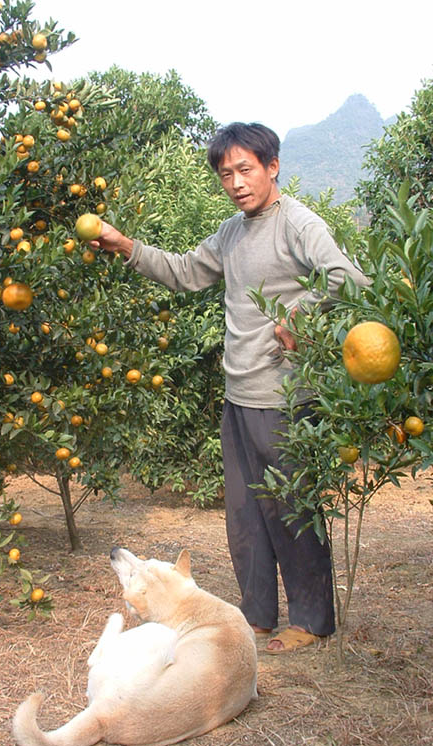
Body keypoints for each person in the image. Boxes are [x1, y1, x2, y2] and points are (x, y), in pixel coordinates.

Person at [91, 122, 370, 653]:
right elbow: (183, 272)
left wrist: (300, 314)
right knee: (245, 515)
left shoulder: (298, 224)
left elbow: (347, 279)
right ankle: (258, 615)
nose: (237, 183)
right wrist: (126, 246)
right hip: (239, 394)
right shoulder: (231, 233)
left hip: (286, 396)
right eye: (227, 174)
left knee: (291, 509)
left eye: (246, 170)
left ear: (272, 166)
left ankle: (311, 621)